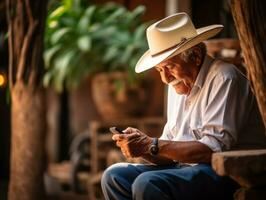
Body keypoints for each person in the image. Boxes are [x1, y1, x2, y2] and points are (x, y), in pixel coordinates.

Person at [101, 12, 266, 200]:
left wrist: (152, 144)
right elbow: (169, 152)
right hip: (186, 169)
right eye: (159, 69)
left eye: (169, 67)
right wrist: (144, 146)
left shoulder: (224, 78)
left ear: (195, 56)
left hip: (228, 173)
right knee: (114, 176)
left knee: (147, 182)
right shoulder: (177, 84)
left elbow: (212, 150)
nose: (165, 78)